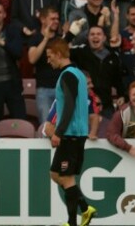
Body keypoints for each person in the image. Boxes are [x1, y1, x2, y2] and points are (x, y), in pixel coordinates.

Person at [45, 38, 96, 226]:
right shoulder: (79, 75)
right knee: (58, 175)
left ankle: (72, 222)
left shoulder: (67, 75)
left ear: (59, 54)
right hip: (77, 132)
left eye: (50, 57)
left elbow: (69, 105)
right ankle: (85, 209)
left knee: (63, 176)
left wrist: (58, 132)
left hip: (71, 133)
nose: (48, 61)